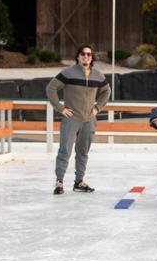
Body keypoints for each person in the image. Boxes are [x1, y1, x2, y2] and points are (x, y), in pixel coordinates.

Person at [45, 44, 109, 194]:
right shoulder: (68, 73)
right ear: (78, 57)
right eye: (82, 54)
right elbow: (51, 88)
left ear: (91, 57)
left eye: (88, 54)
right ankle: (59, 182)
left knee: (83, 152)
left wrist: (97, 108)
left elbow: (106, 91)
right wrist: (60, 108)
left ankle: (79, 182)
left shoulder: (98, 75)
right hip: (72, 119)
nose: (85, 56)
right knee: (65, 150)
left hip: (89, 120)